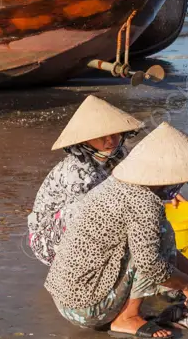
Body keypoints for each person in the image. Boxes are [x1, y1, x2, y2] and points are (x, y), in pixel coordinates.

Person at [45, 122, 188, 338]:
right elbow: (150, 263)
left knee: (154, 237)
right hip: (83, 308)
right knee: (159, 236)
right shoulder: (143, 202)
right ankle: (127, 317)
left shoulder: (121, 183)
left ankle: (134, 306)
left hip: (67, 296)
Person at [27, 96, 144, 266]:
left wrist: (162, 191)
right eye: (101, 136)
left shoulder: (117, 153)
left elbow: (137, 178)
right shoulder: (78, 171)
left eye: (114, 134)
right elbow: (91, 217)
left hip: (92, 219)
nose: (110, 141)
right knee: (97, 209)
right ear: (85, 141)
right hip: (48, 238)